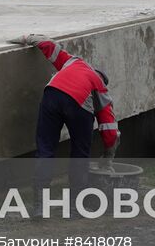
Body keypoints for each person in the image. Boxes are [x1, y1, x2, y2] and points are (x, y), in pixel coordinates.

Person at [20, 35, 119, 193]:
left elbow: (49, 46)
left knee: (45, 149)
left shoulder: (74, 62)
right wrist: (108, 158)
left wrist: (27, 38)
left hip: (51, 94)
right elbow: (110, 132)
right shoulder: (100, 87)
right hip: (78, 104)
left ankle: (39, 202)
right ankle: (75, 204)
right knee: (80, 153)